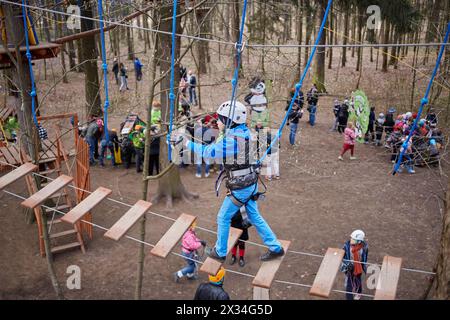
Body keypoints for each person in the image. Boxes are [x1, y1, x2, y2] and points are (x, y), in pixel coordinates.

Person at [173, 100, 285, 261]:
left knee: (223, 217)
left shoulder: (232, 141)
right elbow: (222, 143)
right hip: (250, 182)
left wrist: (186, 143)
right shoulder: (243, 131)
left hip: (241, 186)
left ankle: (220, 251)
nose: (218, 121)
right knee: (254, 216)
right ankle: (275, 247)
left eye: (221, 119)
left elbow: (209, 152)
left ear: (229, 121)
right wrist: (222, 131)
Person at [340, 230, 369, 300]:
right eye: (351, 238)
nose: (351, 239)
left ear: (359, 241)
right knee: (349, 285)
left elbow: (364, 258)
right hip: (349, 268)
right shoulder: (346, 246)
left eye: (353, 239)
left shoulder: (363, 248)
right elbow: (343, 257)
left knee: (358, 280)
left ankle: (359, 292)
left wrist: (361, 265)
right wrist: (347, 265)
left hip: (358, 268)